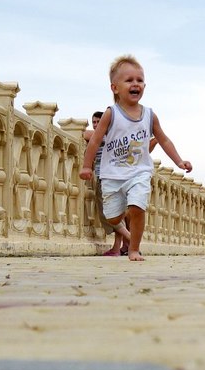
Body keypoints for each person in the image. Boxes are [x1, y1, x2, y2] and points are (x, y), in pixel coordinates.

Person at [80, 55, 192, 261]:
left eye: (139, 80)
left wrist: (179, 161)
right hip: (112, 174)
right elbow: (95, 141)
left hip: (139, 172)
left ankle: (134, 249)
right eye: (129, 80)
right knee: (113, 216)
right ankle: (122, 211)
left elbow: (164, 140)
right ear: (115, 88)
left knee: (138, 208)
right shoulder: (111, 114)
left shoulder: (149, 115)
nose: (135, 84)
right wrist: (87, 167)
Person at [84, 111, 129, 255]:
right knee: (117, 213)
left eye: (99, 122)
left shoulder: (108, 135)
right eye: (94, 122)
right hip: (115, 177)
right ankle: (118, 248)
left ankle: (131, 239)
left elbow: (85, 134)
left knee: (107, 213)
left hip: (107, 178)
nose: (96, 125)